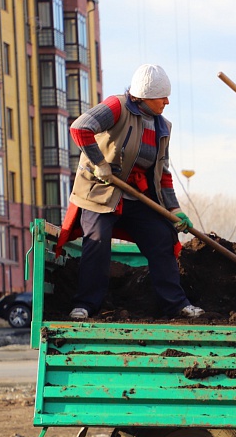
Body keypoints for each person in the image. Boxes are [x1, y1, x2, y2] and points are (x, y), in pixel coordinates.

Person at [64, 64, 202, 321]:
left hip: (136, 197)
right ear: (144, 96)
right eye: (162, 96)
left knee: (162, 237)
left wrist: (175, 210)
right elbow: (80, 128)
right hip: (100, 192)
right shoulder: (117, 107)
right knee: (97, 239)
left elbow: (163, 172)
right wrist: (100, 163)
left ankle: (176, 305)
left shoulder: (163, 126)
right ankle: (85, 304)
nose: (167, 102)